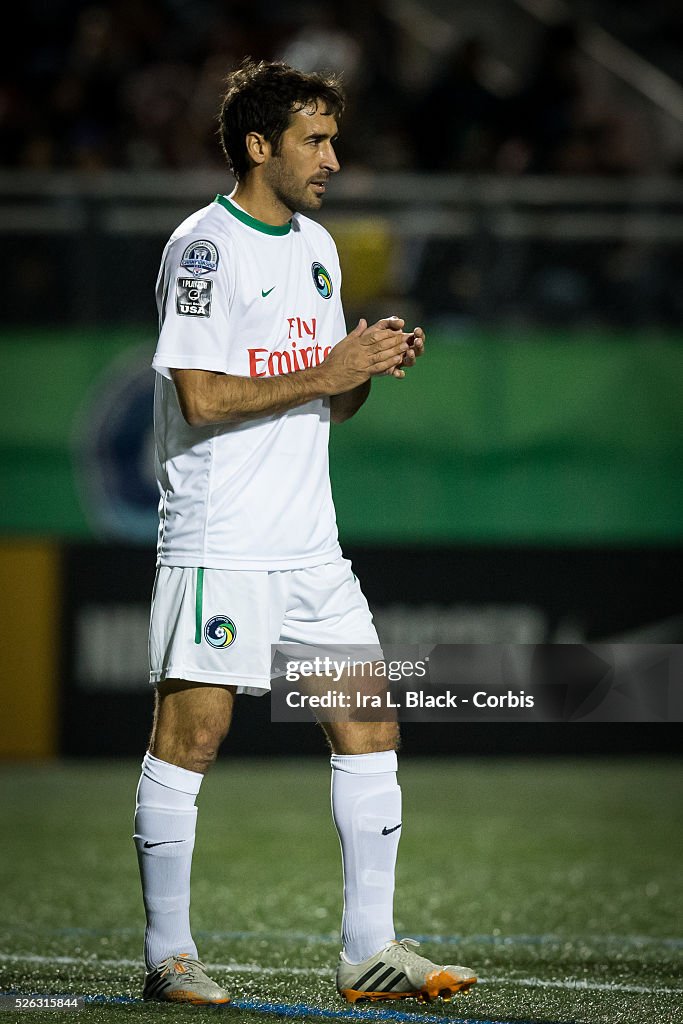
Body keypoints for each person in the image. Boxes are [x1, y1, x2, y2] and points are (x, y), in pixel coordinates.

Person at [133, 57, 477, 1007]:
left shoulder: (321, 248)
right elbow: (200, 400)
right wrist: (327, 373)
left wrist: (363, 363)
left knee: (369, 724)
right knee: (191, 737)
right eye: (314, 140)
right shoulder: (204, 248)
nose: (332, 157)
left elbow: (331, 407)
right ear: (258, 145)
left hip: (310, 546)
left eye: (333, 138)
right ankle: (168, 957)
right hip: (221, 539)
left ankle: (368, 951)